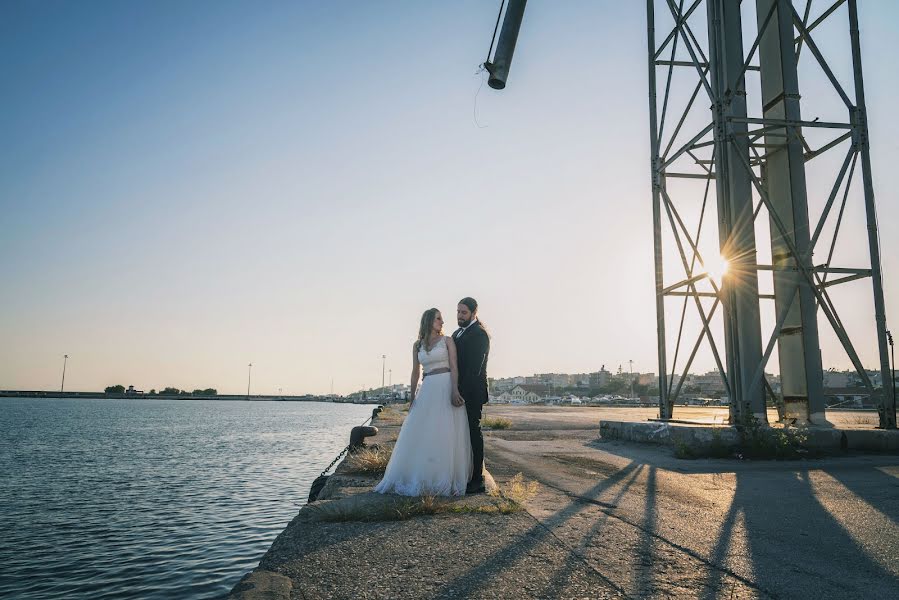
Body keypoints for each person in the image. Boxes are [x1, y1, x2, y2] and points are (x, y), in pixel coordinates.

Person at [374, 308, 473, 496]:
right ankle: (422, 474)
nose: (442, 322)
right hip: (427, 389)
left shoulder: (448, 341)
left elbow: (454, 367)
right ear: (428, 321)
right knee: (423, 431)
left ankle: (442, 477)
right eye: (438, 319)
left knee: (444, 431)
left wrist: (454, 390)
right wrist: (412, 398)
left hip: (445, 386)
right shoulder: (417, 345)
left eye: (442, 319)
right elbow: (415, 373)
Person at [453, 297, 490, 494]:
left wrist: (459, 392)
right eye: (458, 312)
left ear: (474, 313)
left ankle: (478, 479)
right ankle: (464, 472)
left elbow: (474, 369)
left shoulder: (480, 334)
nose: (459, 316)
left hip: (472, 392)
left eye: (464, 313)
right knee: (460, 433)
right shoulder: (457, 333)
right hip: (458, 390)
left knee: (474, 433)